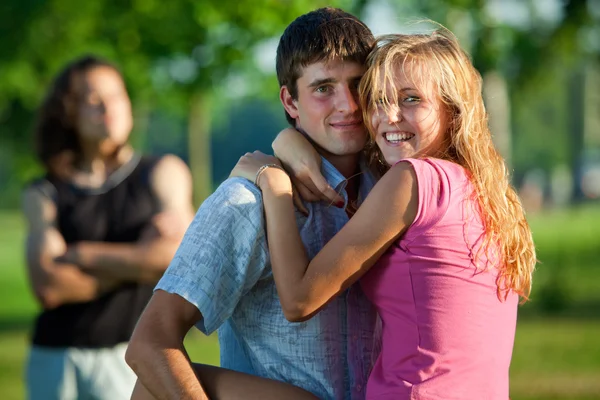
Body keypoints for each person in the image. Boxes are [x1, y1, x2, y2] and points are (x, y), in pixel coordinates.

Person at [230, 28, 537, 399]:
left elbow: (298, 300)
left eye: (410, 99)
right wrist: (288, 138)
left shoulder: (414, 179)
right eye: (377, 100)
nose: (388, 116)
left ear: (452, 109)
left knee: (163, 377)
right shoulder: (481, 191)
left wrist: (273, 182)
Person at [125, 7, 379, 400]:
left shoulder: (392, 193)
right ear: (290, 102)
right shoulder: (246, 203)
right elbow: (150, 343)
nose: (348, 104)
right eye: (323, 88)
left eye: (358, 84)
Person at [22, 55, 195, 400]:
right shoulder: (43, 192)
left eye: (116, 95)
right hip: (54, 358)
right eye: (92, 99)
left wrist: (83, 254)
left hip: (130, 354)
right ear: (69, 112)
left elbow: (182, 259)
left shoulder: (162, 173)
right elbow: (49, 286)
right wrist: (142, 259)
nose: (108, 107)